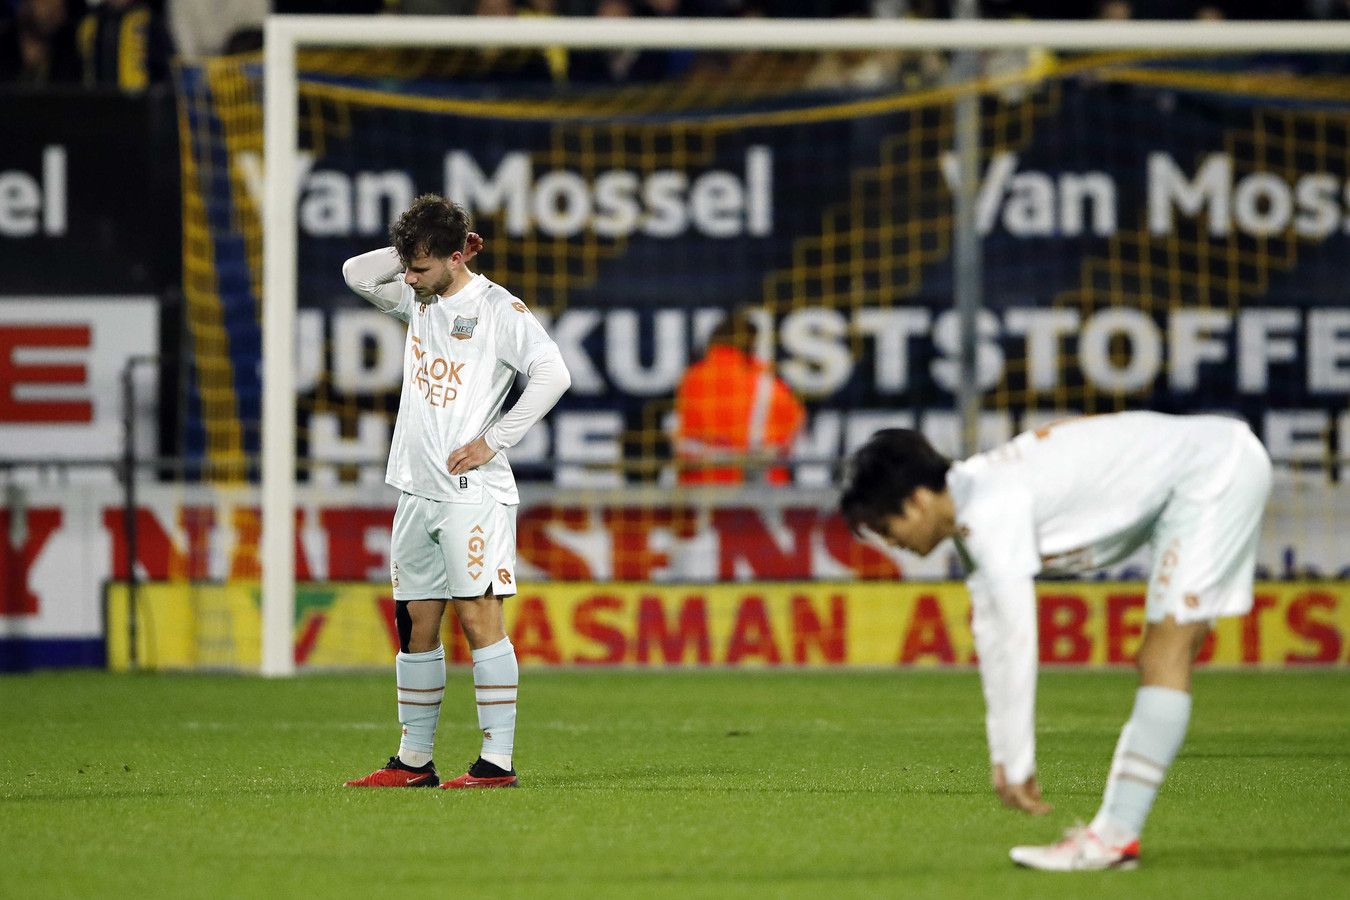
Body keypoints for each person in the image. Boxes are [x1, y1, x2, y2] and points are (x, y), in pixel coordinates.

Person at [839, 412, 1271, 870]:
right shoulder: (975, 505)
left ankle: (1115, 838)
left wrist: (1018, 761)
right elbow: (993, 636)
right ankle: (1115, 837)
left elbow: (1019, 638)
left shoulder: (991, 508)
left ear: (919, 501)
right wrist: (1006, 755)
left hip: (1213, 470)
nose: (892, 543)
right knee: (1162, 655)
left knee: (1164, 654)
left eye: (887, 528)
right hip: (1206, 468)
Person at [341, 195, 571, 789]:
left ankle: (496, 763)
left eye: (419, 267)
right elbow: (356, 273)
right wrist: (411, 255)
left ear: (454, 257)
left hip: (473, 491)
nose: (408, 279)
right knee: (415, 619)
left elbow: (554, 374)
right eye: (406, 268)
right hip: (416, 488)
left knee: (478, 617)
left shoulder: (498, 308)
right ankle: (413, 761)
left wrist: (497, 438)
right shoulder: (418, 298)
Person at [673, 312, 805, 486]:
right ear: (751, 345)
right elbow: (793, 430)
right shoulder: (765, 384)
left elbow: (681, 440)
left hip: (700, 489)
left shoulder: (690, 380)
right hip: (755, 494)